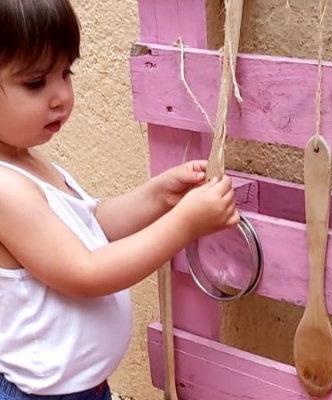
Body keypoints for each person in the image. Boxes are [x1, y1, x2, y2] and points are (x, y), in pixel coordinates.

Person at [0, 0, 240, 399]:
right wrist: (185, 224)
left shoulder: (29, 162)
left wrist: (159, 196)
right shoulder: (5, 189)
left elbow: (93, 228)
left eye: (65, 72)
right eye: (36, 82)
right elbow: (86, 271)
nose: (61, 95)